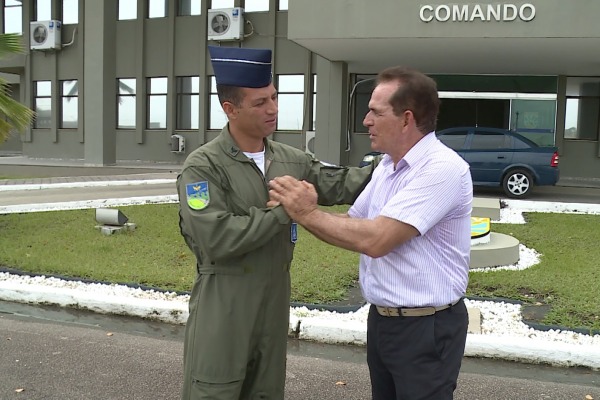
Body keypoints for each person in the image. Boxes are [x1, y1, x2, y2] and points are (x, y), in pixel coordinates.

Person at [176, 45, 376, 400]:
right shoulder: (203, 166)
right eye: (260, 103)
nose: (273, 109)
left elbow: (342, 183)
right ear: (230, 109)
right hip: (225, 302)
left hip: (274, 299)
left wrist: (395, 163)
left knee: (267, 392)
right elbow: (217, 239)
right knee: (214, 390)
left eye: (274, 97)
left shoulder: (291, 159)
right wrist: (288, 210)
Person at [268, 66, 473, 400]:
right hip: (385, 322)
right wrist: (301, 209)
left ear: (407, 120)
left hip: (426, 328)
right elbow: (353, 223)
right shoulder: (389, 167)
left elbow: (376, 239)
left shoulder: (442, 169)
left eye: (376, 112)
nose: (366, 121)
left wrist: (305, 211)